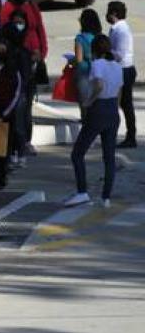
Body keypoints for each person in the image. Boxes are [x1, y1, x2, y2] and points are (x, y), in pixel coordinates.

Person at [65, 35, 123, 208]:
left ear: (94, 49)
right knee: (109, 156)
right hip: (113, 109)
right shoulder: (117, 66)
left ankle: (82, 192)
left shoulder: (97, 64)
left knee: (78, 153)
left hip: (99, 109)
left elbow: (98, 85)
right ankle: (106, 197)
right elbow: (119, 90)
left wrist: (89, 101)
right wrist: (115, 108)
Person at [0, 0, 48, 156]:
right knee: (15, 105)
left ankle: (26, 141)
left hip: (31, 61)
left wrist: (42, 52)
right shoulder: (8, 8)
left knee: (26, 105)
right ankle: (14, 144)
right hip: (16, 63)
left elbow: (40, 29)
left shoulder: (32, 6)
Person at [0, 38, 22, 191]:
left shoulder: (13, 70)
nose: (0, 53)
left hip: (4, 113)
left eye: (3, 50)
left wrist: (3, 114)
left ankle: (0, 179)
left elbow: (16, 94)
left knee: (0, 150)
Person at [107, 1, 136, 148]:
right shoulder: (116, 29)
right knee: (122, 104)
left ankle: (131, 136)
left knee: (125, 104)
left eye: (109, 12)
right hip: (119, 69)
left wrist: (105, 51)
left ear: (115, 14)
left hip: (124, 70)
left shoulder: (122, 30)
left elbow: (120, 54)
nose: (107, 14)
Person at [73, 9, 102, 108]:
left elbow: (79, 61)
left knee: (85, 105)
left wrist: (71, 62)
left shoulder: (80, 39)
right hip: (99, 75)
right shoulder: (99, 37)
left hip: (84, 76)